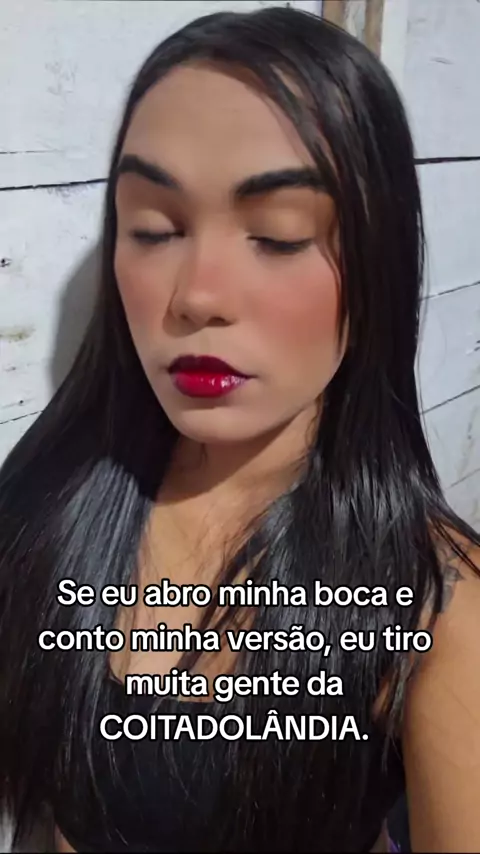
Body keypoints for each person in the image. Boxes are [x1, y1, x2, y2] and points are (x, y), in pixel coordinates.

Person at [0, 6, 479, 853]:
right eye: (155, 229)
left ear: (376, 260)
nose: (198, 295)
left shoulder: (435, 600)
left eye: (277, 235)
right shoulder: (49, 506)